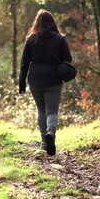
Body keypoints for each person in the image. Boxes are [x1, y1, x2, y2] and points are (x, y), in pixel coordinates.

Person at [18, 9, 72, 156]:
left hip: (35, 78)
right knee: (52, 111)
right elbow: (68, 59)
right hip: (53, 78)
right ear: (52, 22)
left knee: (41, 110)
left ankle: (44, 142)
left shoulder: (31, 39)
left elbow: (24, 63)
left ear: (37, 23)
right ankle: (51, 133)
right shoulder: (60, 39)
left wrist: (21, 82)